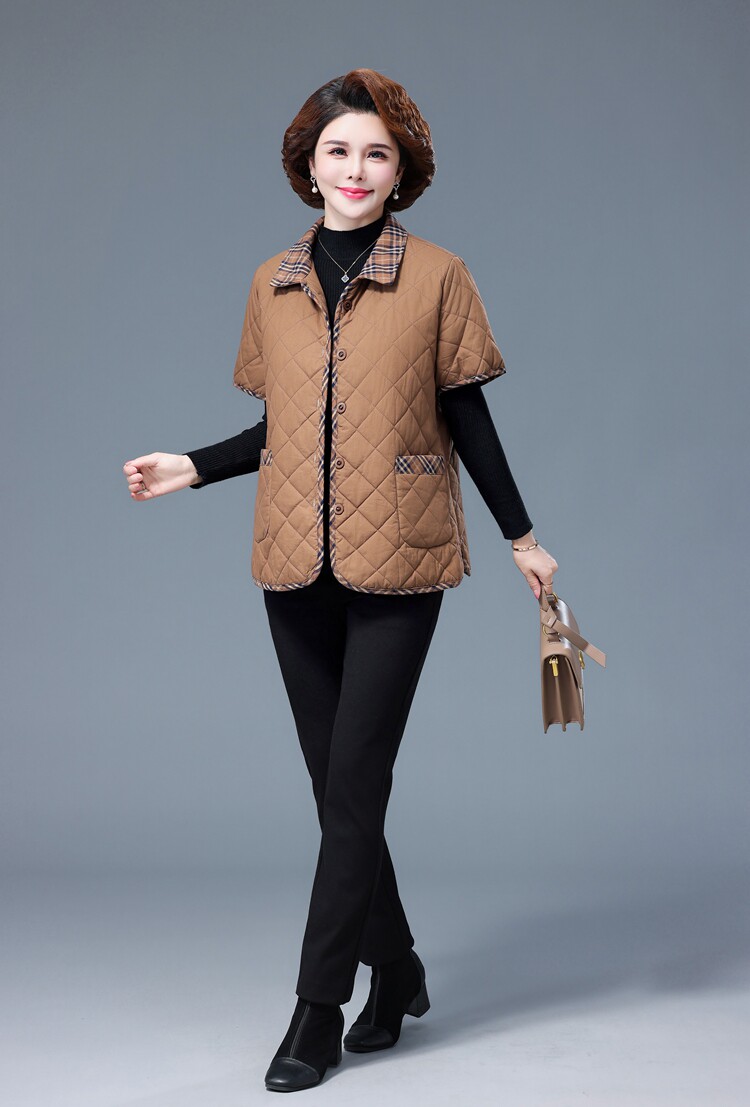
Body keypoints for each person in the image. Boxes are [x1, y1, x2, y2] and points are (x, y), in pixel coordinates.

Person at [123, 68, 558, 1093]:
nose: (356, 169)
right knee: (337, 793)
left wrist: (523, 537)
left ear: (402, 171)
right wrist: (193, 466)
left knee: (357, 783)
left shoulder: (440, 276)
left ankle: (316, 1009)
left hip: (400, 559)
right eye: (338, 151)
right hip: (292, 561)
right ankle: (397, 969)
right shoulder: (271, 283)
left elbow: (468, 415)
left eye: (376, 153)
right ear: (306, 166)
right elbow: (285, 425)